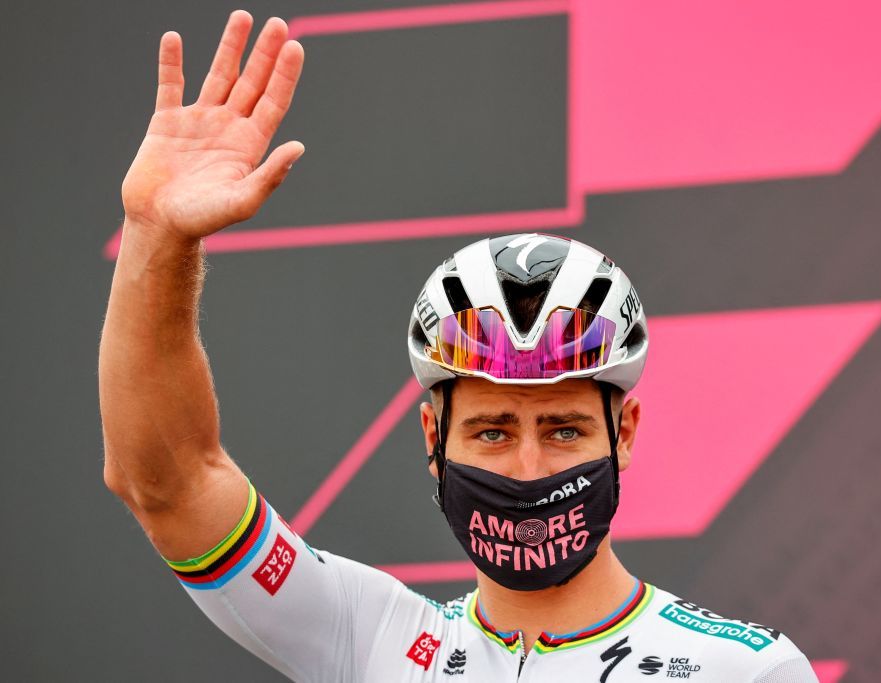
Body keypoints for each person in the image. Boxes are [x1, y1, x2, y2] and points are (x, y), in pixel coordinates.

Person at [100, 11, 817, 682]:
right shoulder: (372, 637)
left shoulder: (744, 671)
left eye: (563, 428)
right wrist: (159, 236)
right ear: (433, 436)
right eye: (492, 430)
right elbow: (169, 482)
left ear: (623, 431)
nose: (529, 469)